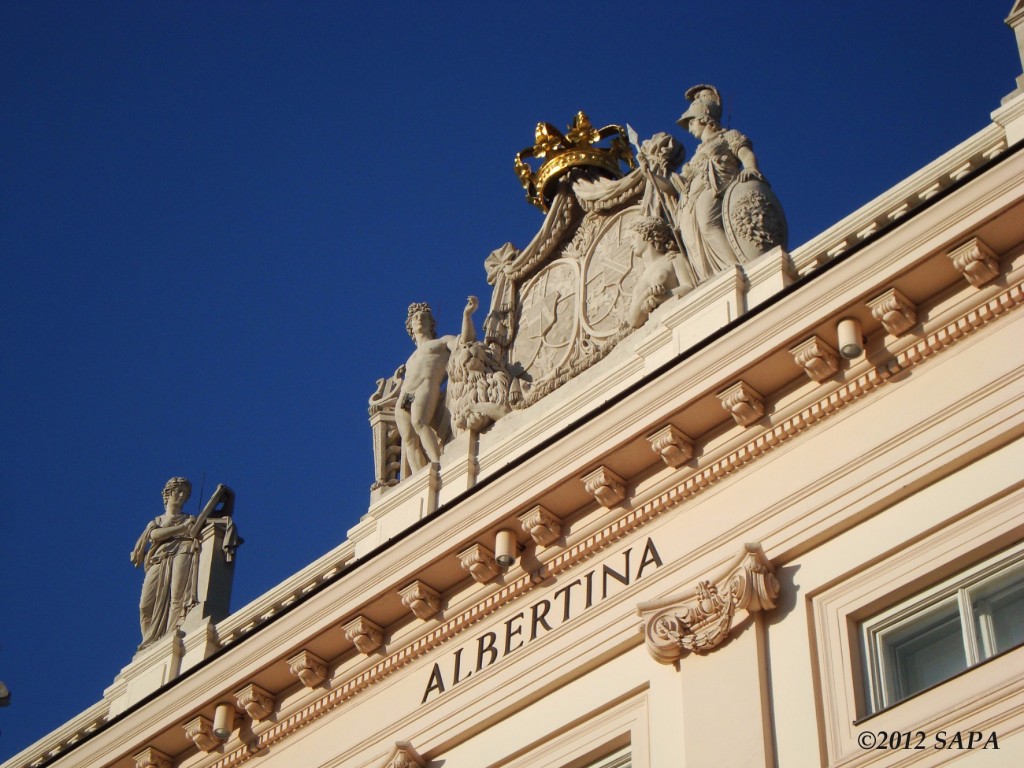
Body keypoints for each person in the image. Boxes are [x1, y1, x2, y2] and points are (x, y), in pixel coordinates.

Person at [673, 84, 765, 281]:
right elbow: (683, 179)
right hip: (692, 196)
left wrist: (750, 168)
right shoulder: (697, 153)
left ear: (704, 119)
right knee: (691, 234)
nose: (689, 128)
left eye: (691, 122)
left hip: (715, 186)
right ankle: (708, 276)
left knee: (708, 223)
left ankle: (733, 268)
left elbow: (745, 154)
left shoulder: (727, 136)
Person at [395, 296, 478, 473]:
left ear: (430, 324)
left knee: (419, 422)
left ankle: (437, 464)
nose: (419, 319)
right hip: (405, 395)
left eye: (423, 316)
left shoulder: (441, 342)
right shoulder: (410, 359)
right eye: (415, 317)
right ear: (410, 326)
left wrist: (467, 315)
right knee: (408, 438)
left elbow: (465, 341)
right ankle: (420, 476)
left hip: (425, 386)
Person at [130, 477, 199, 650]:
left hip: (182, 552)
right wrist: (183, 529)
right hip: (158, 560)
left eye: (186, 493)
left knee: (178, 596)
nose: (182, 495)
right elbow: (155, 535)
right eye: (179, 491)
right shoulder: (158, 521)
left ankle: (171, 635)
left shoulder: (191, 518)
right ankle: (149, 642)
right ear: (168, 494)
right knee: (145, 606)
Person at [625, 216, 693, 328]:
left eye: (633, 237)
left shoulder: (674, 258)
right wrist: (647, 294)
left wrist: (663, 297)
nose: (630, 244)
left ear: (646, 234)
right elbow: (632, 321)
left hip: (678, 321)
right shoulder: (640, 280)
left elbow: (689, 286)